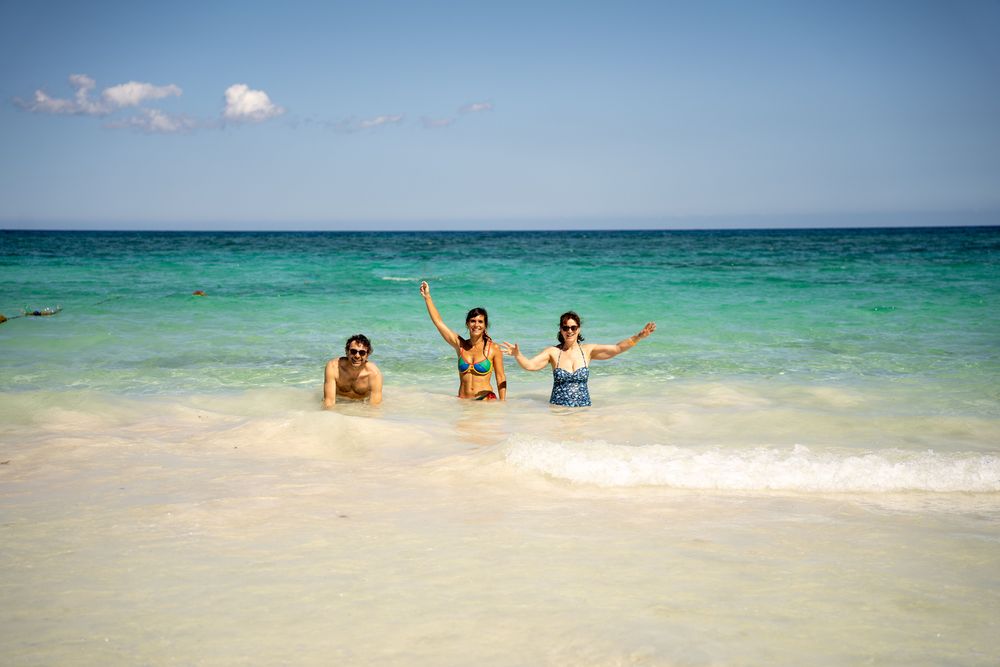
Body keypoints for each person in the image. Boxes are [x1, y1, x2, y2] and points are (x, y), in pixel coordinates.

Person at [501, 311, 655, 407]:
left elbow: (617, 349)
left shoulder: (587, 351)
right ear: (561, 330)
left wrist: (639, 337)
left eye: (573, 327)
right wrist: (518, 355)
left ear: (578, 329)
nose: (569, 331)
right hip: (558, 410)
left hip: (584, 410)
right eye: (566, 327)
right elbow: (530, 366)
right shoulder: (553, 352)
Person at [419, 281, 506, 400]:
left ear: (485, 325)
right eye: (473, 321)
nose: (476, 325)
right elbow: (439, 323)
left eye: (480, 322)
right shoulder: (460, 345)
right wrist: (427, 297)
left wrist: (502, 404)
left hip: (486, 401)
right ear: (467, 324)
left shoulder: (493, 348)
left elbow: (500, 377)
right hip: (463, 402)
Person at [323, 334, 383, 407]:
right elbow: (329, 402)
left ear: (367, 355)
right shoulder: (333, 367)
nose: (357, 356)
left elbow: (374, 407)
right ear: (347, 352)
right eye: (353, 351)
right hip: (340, 403)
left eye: (362, 353)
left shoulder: (374, 374)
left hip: (360, 406)